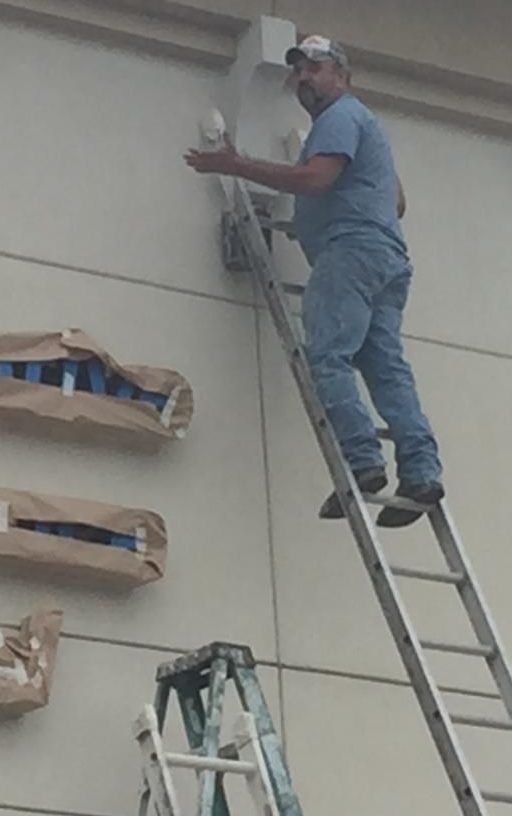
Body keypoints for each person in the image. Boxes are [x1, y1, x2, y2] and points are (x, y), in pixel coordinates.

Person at [185, 34, 443, 527]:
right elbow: (398, 202)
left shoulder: (340, 118)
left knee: (327, 354)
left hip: (350, 254)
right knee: (386, 369)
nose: (304, 77)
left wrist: (236, 165)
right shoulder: (364, 124)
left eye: (315, 67)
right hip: (386, 261)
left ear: (341, 75)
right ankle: (422, 472)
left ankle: (361, 462)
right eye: (298, 70)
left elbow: (316, 180)